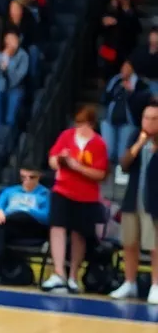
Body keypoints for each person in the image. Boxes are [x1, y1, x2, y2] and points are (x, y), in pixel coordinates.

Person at [43, 105, 108, 292]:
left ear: (92, 124)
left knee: (79, 234)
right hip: (62, 189)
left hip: (86, 195)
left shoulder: (99, 144)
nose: (80, 127)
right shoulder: (66, 136)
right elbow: (52, 159)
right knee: (57, 227)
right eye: (78, 123)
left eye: (84, 123)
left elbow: (100, 173)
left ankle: (73, 276)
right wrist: (60, 160)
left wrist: (76, 166)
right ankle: (58, 272)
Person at [110, 102, 158, 303]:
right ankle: (130, 282)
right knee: (129, 243)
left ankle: (156, 285)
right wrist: (139, 144)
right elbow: (124, 164)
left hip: (154, 202)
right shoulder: (135, 136)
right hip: (133, 199)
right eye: (146, 118)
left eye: (154, 119)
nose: (148, 122)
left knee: (155, 245)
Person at [0, 167, 51, 286]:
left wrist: (27, 210)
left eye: (31, 177)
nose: (27, 181)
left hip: (32, 226)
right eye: (23, 177)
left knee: (16, 216)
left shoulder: (45, 194)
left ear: (39, 177)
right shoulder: (10, 191)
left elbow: (47, 217)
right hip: (9, 225)